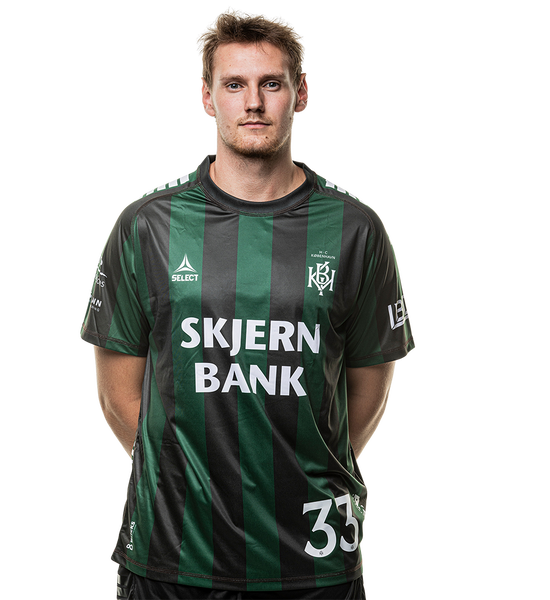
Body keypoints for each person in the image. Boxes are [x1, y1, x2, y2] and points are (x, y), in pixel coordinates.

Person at [77, 5, 417, 599]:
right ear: (206, 98)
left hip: (314, 561)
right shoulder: (144, 224)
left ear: (302, 94)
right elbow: (116, 396)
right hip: (172, 555)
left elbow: (368, 393)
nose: (253, 103)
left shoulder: (357, 228)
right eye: (234, 84)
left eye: (271, 84)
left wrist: (295, 468)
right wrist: (196, 480)